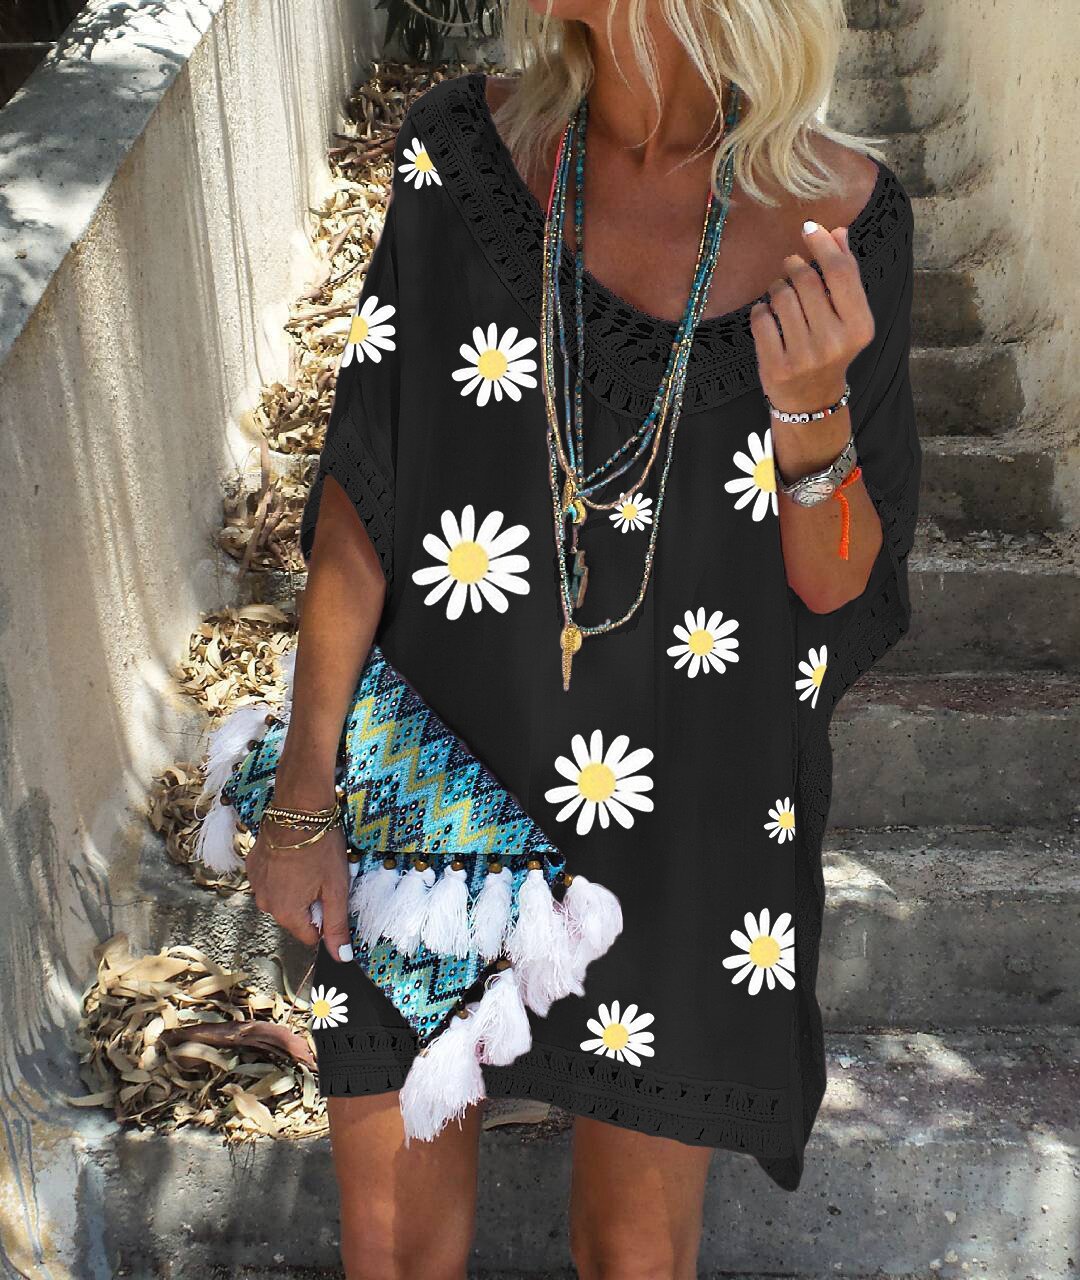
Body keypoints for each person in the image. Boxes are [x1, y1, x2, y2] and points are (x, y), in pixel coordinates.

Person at [247, 0, 921, 1274]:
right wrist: (302, 788)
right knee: (392, 1244)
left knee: (635, 1253)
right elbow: (362, 492)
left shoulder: (843, 225)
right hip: (431, 770)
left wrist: (811, 409)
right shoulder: (459, 158)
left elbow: (842, 588)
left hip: (688, 809)